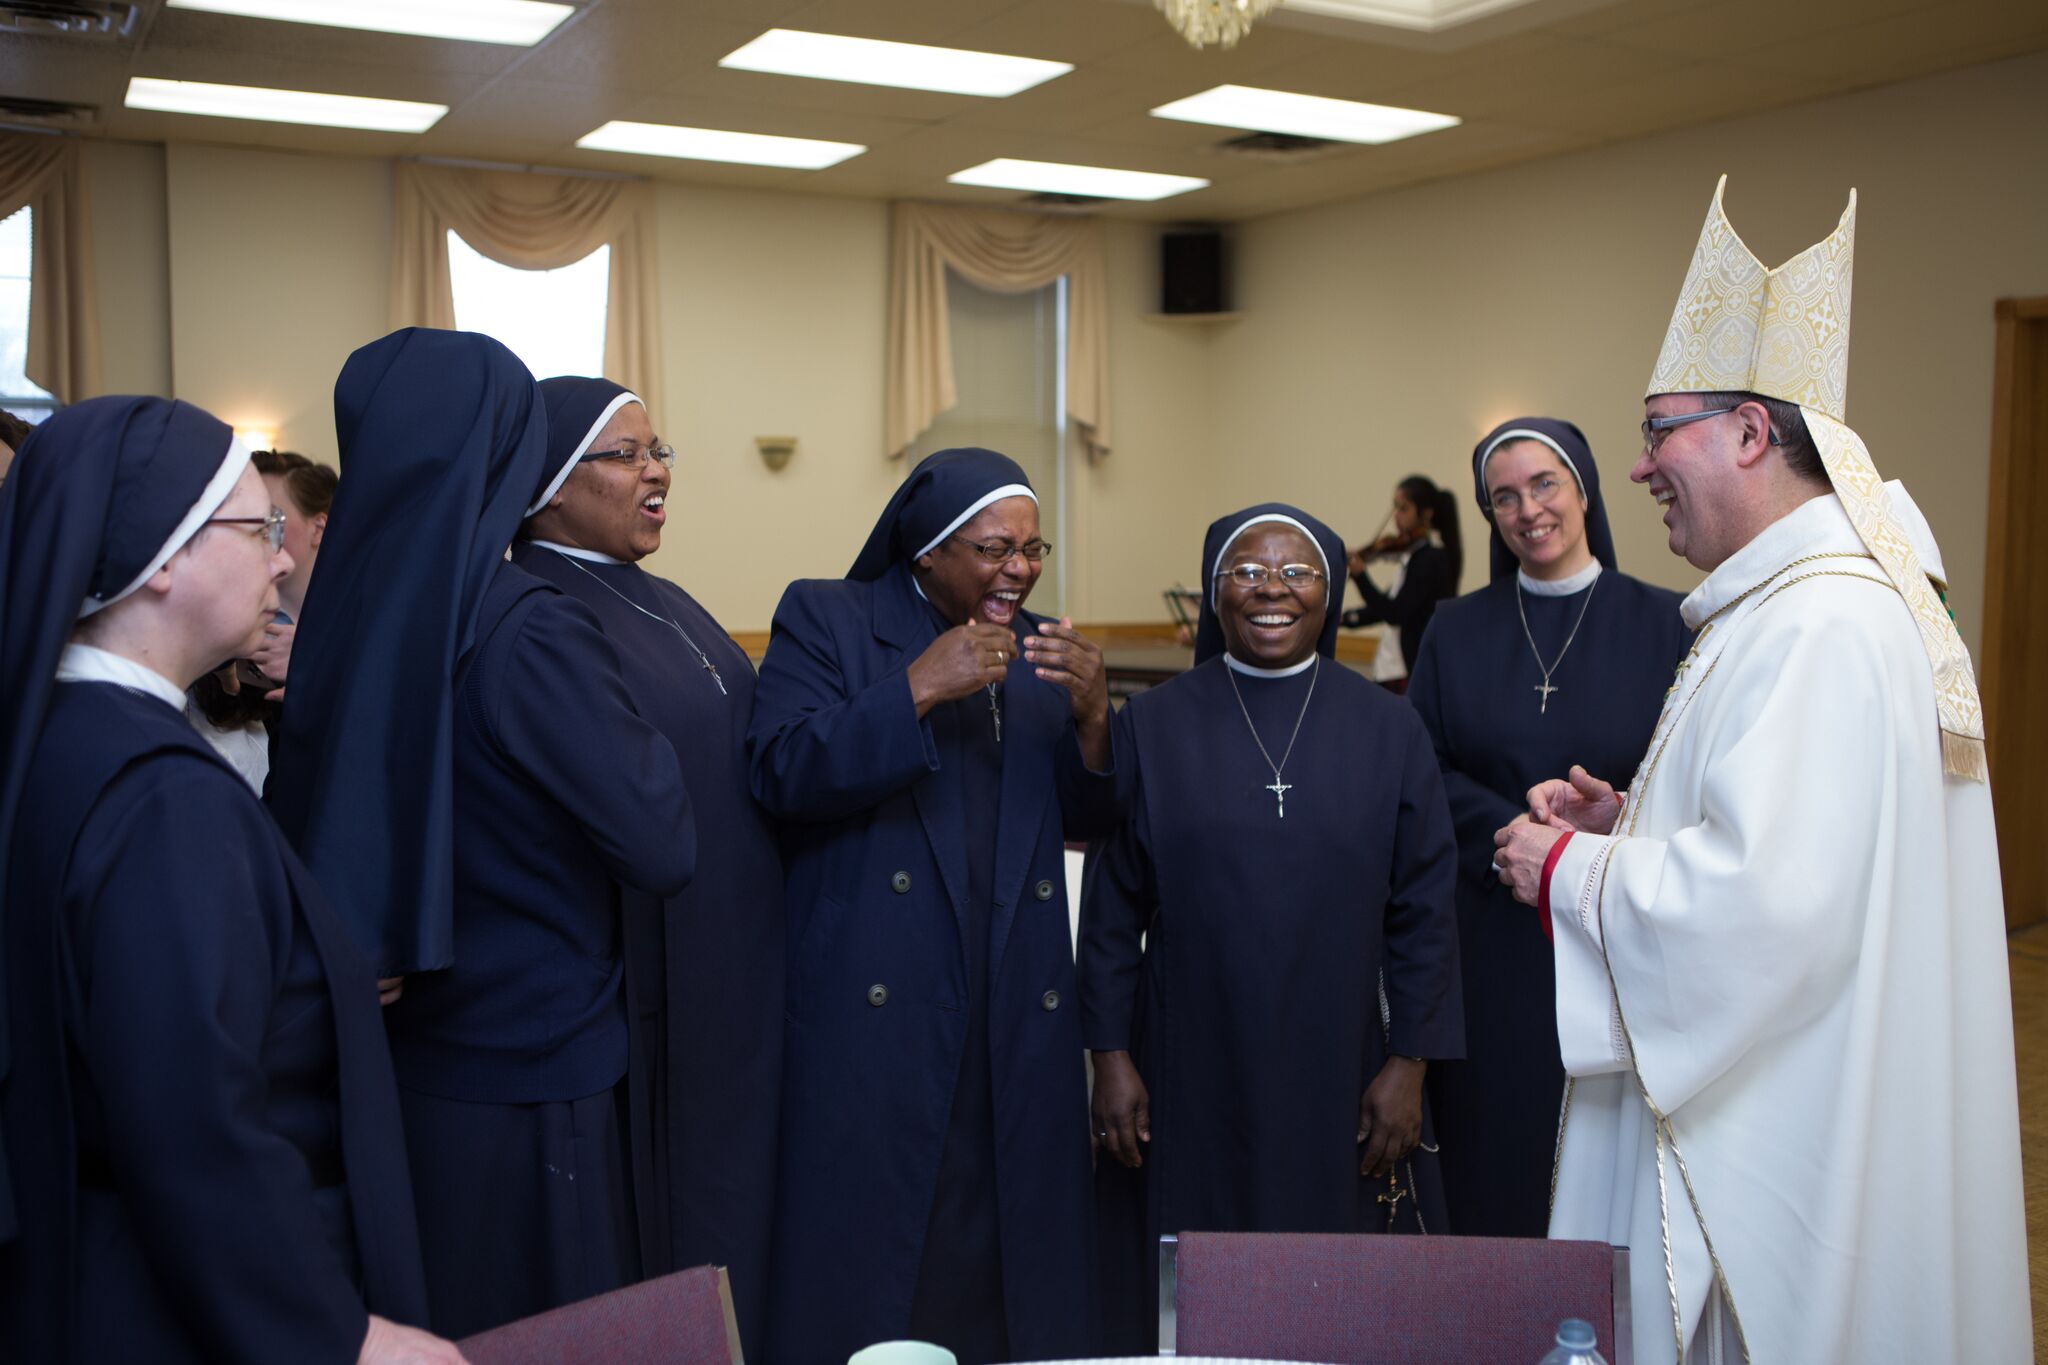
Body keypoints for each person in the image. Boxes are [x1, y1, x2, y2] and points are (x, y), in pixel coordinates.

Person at [1491, 178, 2029, 1362]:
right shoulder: (1794, 606)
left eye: (1655, 435)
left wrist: (1569, 870)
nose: (1637, 472)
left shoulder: (1817, 623)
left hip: (1775, 1132)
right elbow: (1815, 846)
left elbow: (1764, 906)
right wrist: (1634, 821)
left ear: (1746, 434)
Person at [0, 397, 460, 1364]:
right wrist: (342, 1337)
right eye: (261, 529)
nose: (285, 558)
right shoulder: (159, 798)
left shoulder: (60, 738)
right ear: (162, 559)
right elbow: (192, 1124)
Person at [268, 329, 696, 1337]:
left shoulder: (340, 605)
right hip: (533, 1071)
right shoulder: (527, 623)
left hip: (398, 1062)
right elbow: (660, 841)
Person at [749, 447, 1122, 1365]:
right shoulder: (828, 618)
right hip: (880, 1008)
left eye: (1033, 551)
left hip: (1011, 1011)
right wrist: (918, 686)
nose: (1019, 571)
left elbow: (1090, 821)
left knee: (1002, 1265)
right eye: (995, 549)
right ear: (925, 549)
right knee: (881, 1261)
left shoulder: (1041, 649)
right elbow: (778, 772)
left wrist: (1094, 720)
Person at [1081, 503, 1462, 1353]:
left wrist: (1411, 1065)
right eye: (1248, 572)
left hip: (1344, 1060)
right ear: (1216, 592)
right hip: (1188, 1057)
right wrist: (1109, 1056)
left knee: (1332, 1291)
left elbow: (1426, 909)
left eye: (1297, 572)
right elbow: (1111, 908)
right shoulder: (1152, 723)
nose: (1272, 590)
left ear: (1329, 594)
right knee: (1196, 1285)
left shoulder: (1390, 728)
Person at [511, 375, 783, 1359]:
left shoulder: (661, 596)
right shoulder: (542, 608)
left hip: (734, 961)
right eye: (623, 455)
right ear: (543, 486)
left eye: (658, 449)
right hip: (649, 971)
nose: (655, 471)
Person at [1405, 419, 1690, 1239]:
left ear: (1585, 488)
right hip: (1491, 940)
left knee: (1604, 1161)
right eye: (1504, 496)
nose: (1528, 509)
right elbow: (1421, 767)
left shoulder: (1667, 622)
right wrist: (1515, 833)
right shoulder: (1455, 629)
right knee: (1493, 1153)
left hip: (1613, 941)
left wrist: (1596, 825)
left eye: (1544, 485)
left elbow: (1686, 776)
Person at [1342, 474, 1461, 684]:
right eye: (1395, 507)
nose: (1396, 516)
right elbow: (1385, 606)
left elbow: (1394, 612)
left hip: (1407, 673)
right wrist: (1345, 619)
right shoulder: (1415, 555)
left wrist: (1361, 576)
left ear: (1426, 513)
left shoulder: (1431, 557)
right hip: (1394, 670)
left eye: (1403, 508)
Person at [245, 448, 336, 687]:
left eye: (270, 517)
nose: (256, 530)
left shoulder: (362, 620)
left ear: (318, 529)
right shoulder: (233, 623)